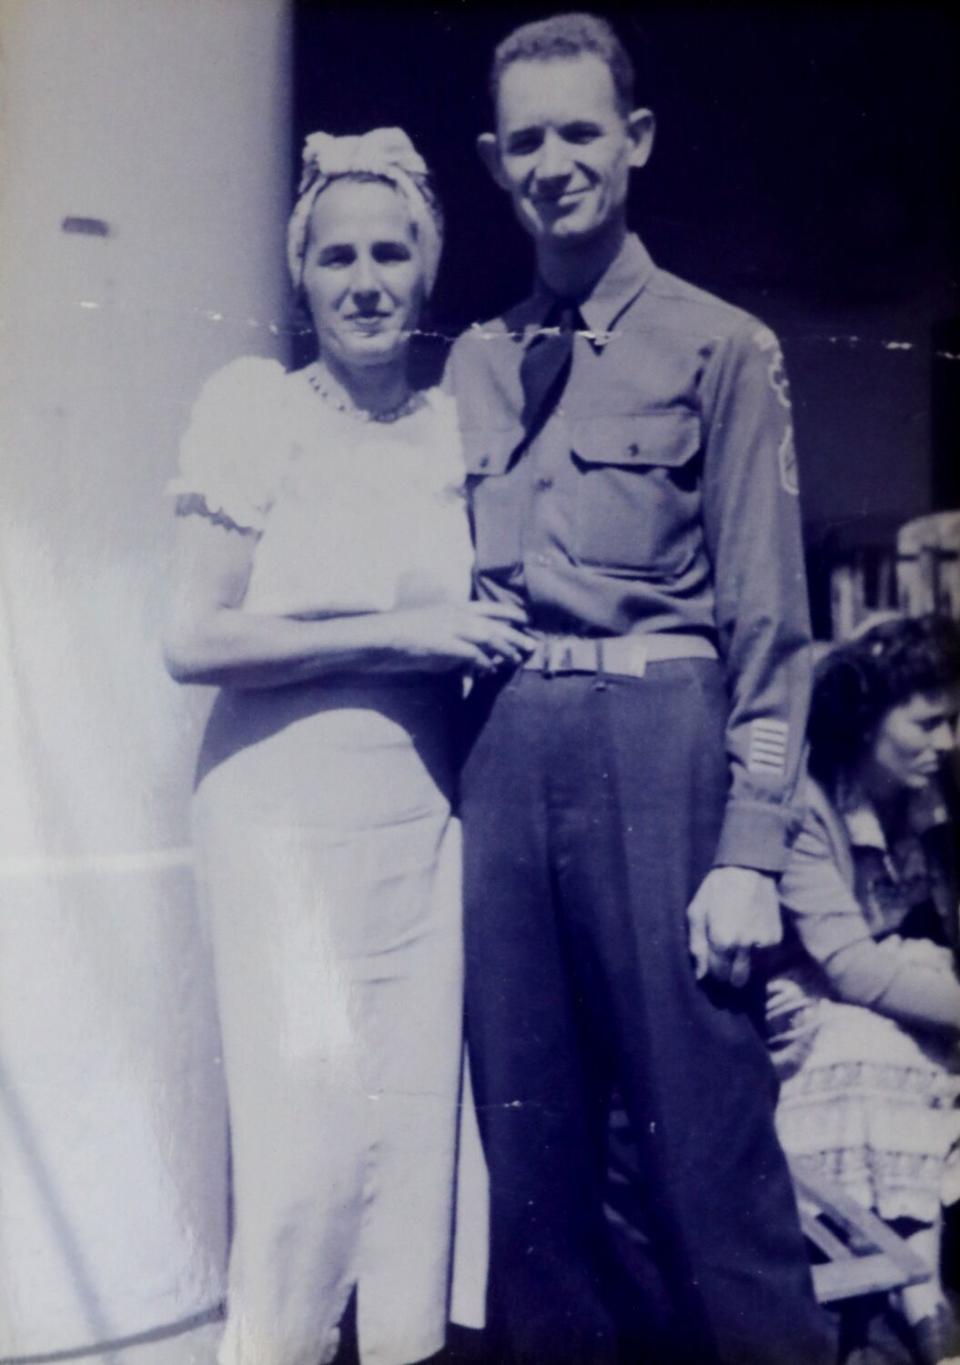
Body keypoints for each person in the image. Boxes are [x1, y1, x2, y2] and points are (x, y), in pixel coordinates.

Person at [445, 13, 835, 1364]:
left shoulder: (724, 348)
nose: (557, 162)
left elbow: (775, 632)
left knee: (707, 1171)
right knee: (534, 1184)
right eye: (530, 140)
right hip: (503, 765)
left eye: (583, 131)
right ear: (498, 162)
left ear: (637, 141)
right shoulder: (475, 362)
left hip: (662, 759)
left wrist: (750, 852)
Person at [163, 128, 528, 1365]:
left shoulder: (454, 428)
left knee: (416, 1157)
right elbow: (194, 638)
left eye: (390, 253)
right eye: (335, 258)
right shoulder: (253, 411)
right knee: (308, 1166)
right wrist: (400, 635)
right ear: (300, 276)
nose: (364, 280)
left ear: (428, 267)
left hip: (419, 835)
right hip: (280, 823)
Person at [766, 615, 960, 1365]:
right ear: (869, 719)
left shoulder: (928, 798)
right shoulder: (812, 804)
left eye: (954, 720)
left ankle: (925, 1299)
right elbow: (850, 967)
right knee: (883, 1045)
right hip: (805, 1000)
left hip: (885, 983)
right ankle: (923, 1302)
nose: (946, 741)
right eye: (928, 722)